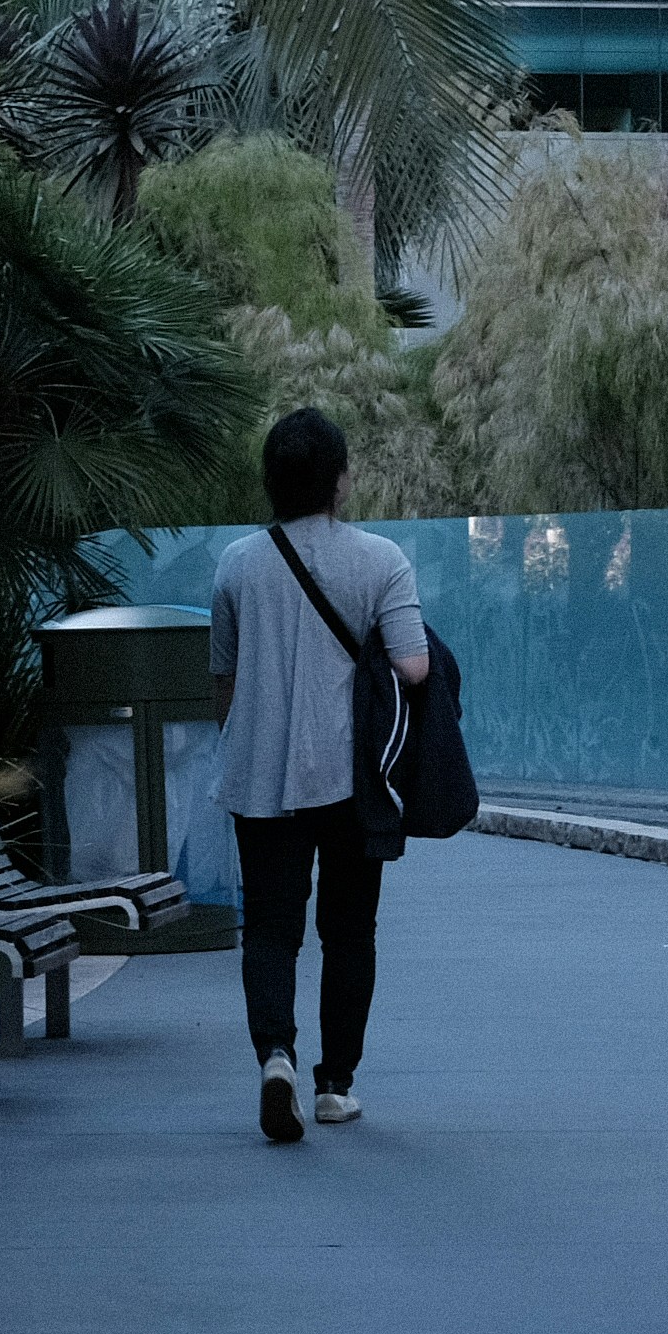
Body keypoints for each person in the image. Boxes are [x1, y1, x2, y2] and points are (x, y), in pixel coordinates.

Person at [201, 405, 433, 1144]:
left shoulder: (237, 563)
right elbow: (414, 666)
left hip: (260, 777)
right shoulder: (382, 560)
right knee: (349, 930)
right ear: (338, 481)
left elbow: (224, 679)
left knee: (270, 929)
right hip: (352, 781)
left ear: (271, 480)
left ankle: (276, 1057)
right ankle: (336, 1086)